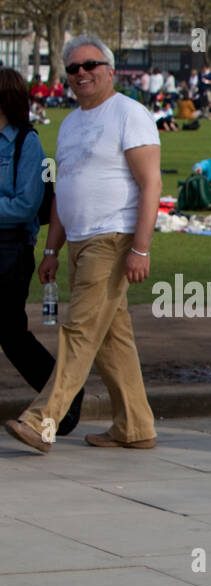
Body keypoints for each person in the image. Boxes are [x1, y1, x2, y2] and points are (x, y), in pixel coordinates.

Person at [4, 35, 159, 454]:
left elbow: (151, 185)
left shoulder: (130, 114)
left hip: (114, 239)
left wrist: (141, 248)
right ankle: (135, 425)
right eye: (73, 68)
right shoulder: (71, 123)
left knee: (79, 330)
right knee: (111, 340)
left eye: (90, 65)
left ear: (110, 70)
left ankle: (42, 420)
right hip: (78, 242)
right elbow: (64, 192)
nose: (81, 74)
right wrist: (52, 250)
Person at [0, 68, 82, 438]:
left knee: (12, 334)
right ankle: (63, 404)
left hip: (10, 249)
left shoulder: (24, 144)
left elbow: (26, 205)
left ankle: (65, 404)